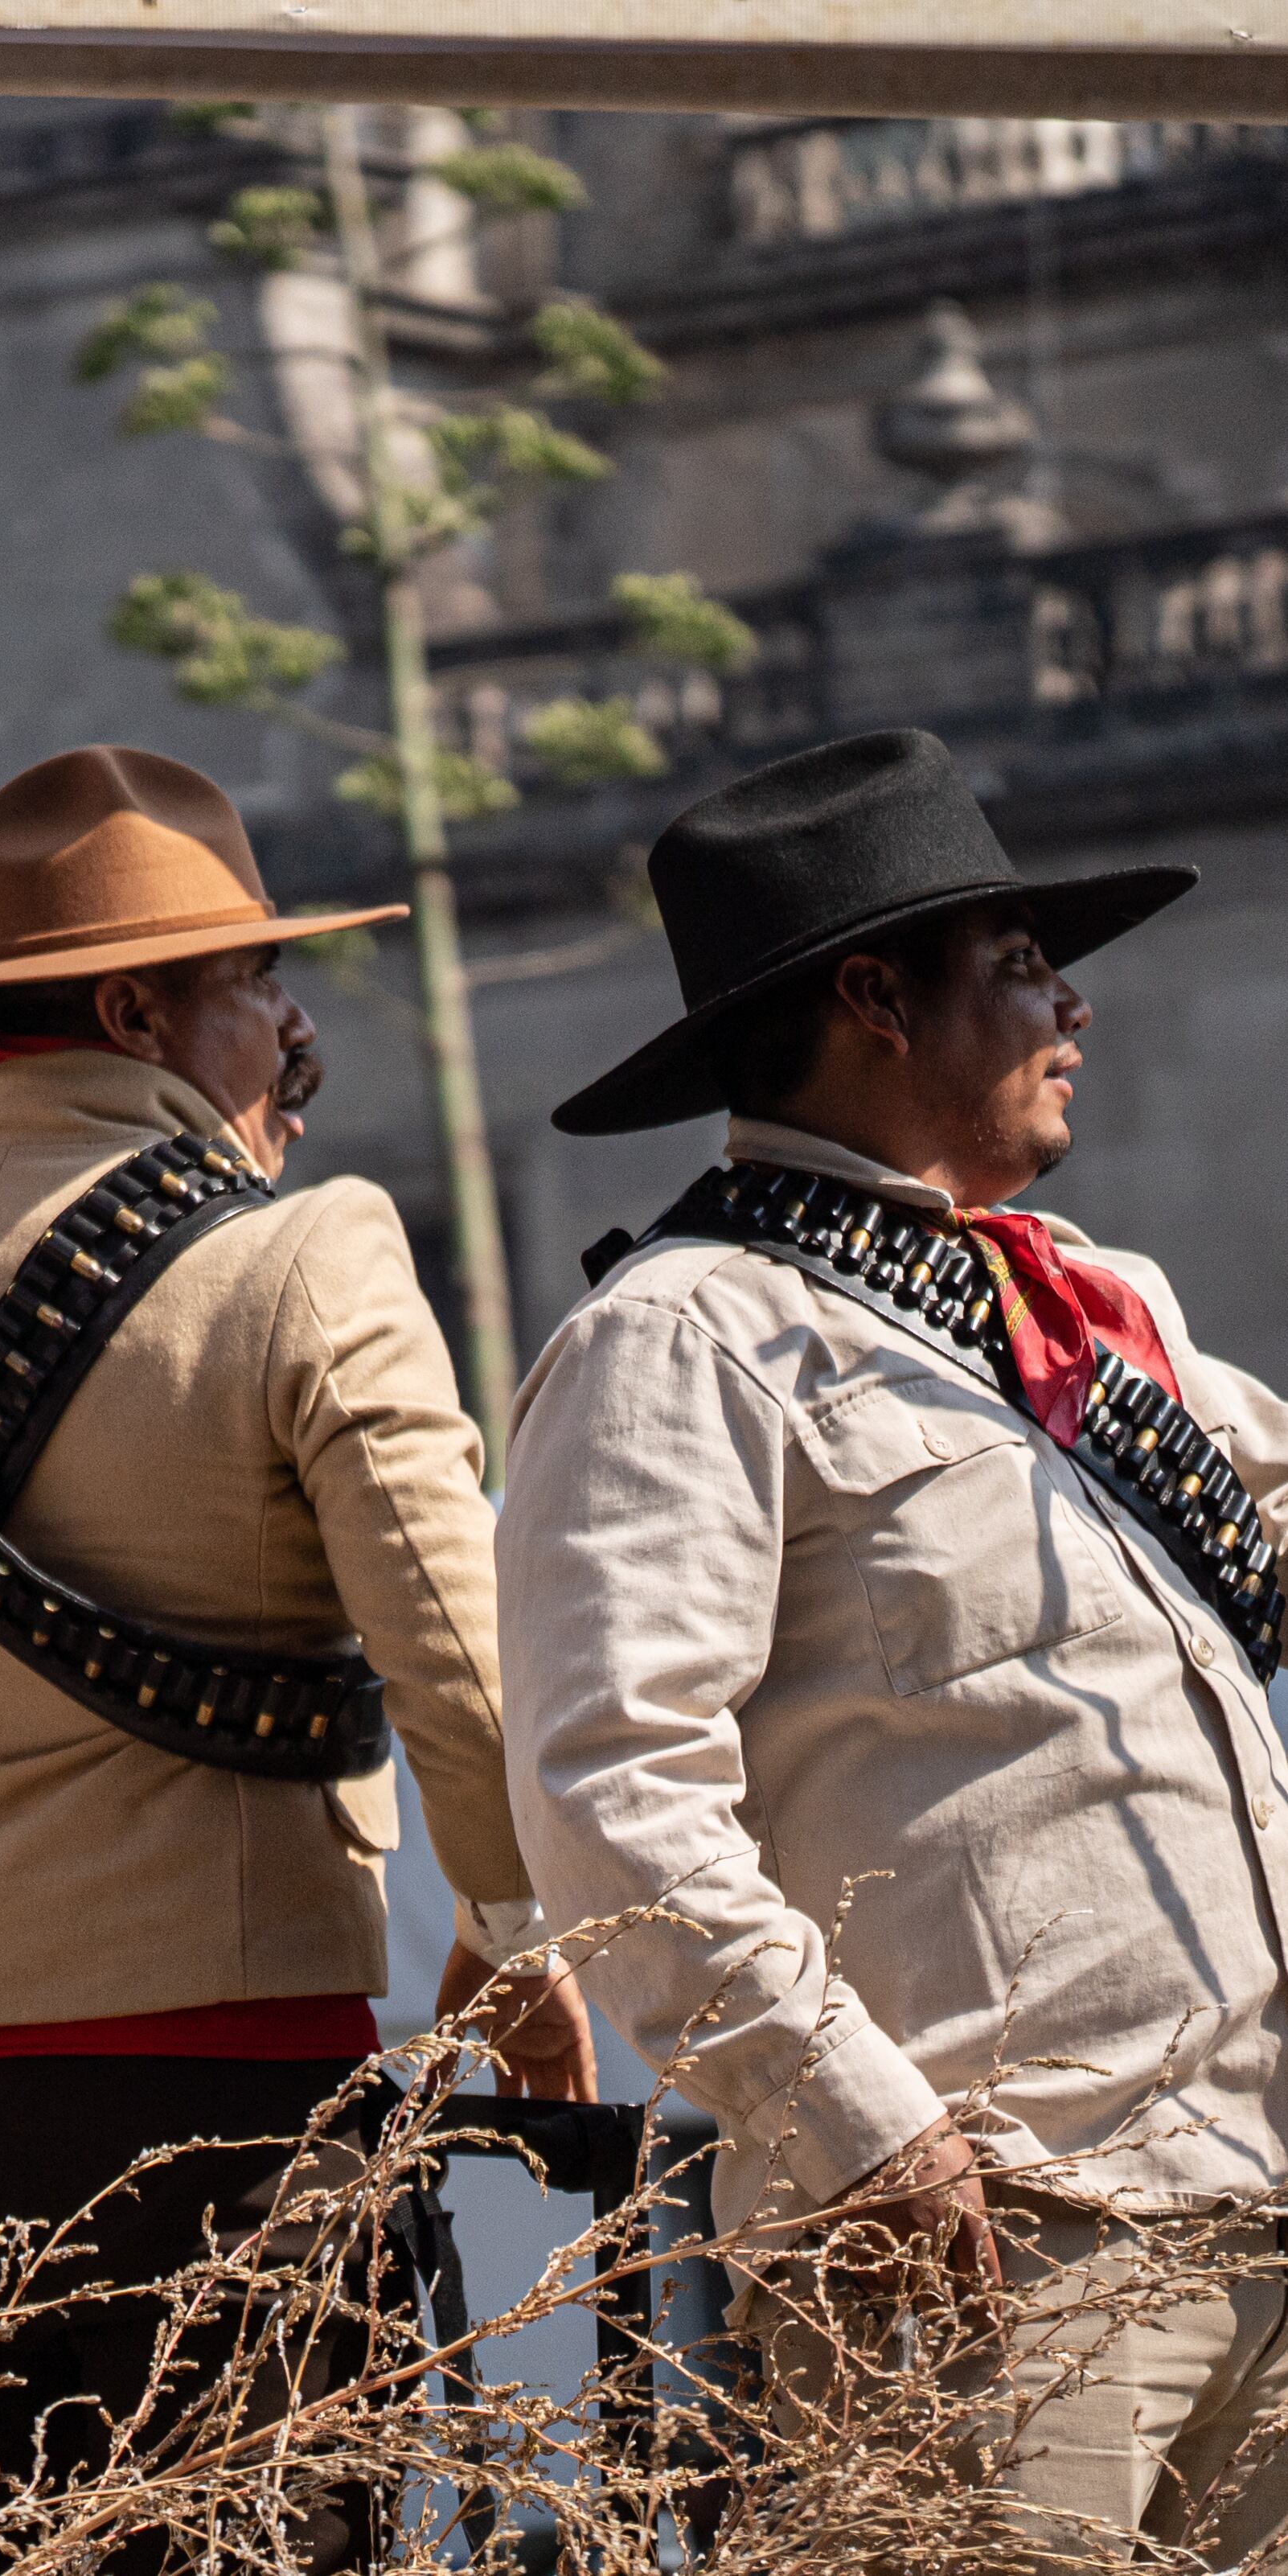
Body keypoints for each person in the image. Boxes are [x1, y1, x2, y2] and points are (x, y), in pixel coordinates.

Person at [0, 745, 593, 2570]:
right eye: (256, 983)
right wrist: (512, 1931)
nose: (291, 1026)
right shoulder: (309, 1259)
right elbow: (463, 1673)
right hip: (228, 2090)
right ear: (136, 1013)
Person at [505, 728, 1288, 2560]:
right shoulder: (681, 1337)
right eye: (1016, 963)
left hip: (1249, 2190)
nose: (1069, 1005)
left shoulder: (1087, 1307)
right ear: (872, 999)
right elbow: (614, 1793)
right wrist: (855, 2124)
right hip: (975, 2234)